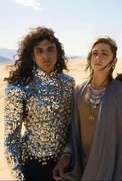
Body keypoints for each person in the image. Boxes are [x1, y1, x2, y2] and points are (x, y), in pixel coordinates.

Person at [53, 37, 122, 181]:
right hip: (83, 166)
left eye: (104, 54)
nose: (98, 58)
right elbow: (73, 132)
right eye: (95, 53)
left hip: (112, 168)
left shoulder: (121, 92)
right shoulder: (79, 91)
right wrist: (66, 157)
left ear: (113, 61)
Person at [4, 26, 75, 181]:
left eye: (50, 49)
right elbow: (11, 138)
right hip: (34, 167)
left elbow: (72, 125)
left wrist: (68, 156)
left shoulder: (68, 83)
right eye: (39, 51)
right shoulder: (19, 87)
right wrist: (19, 176)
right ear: (32, 55)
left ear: (58, 52)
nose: (46, 56)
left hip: (65, 166)